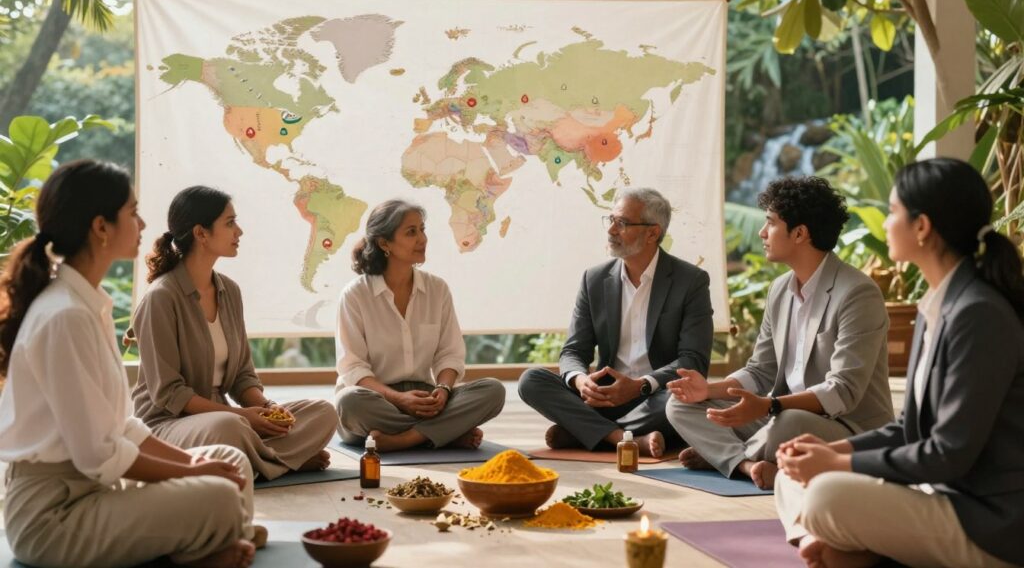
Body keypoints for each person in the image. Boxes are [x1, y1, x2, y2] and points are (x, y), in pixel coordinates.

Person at [0, 160, 260, 568]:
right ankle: (209, 538)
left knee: (230, 462)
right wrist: (192, 475)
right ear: (101, 227)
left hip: (97, 493)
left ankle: (210, 538)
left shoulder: (89, 305)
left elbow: (122, 426)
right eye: (132, 212)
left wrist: (195, 462)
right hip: (53, 517)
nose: (142, 224)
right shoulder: (64, 315)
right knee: (220, 494)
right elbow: (100, 457)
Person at [774, 158, 1024, 568]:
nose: (886, 223)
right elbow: (910, 429)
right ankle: (835, 547)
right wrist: (830, 449)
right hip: (935, 492)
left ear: (922, 227)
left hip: (987, 519)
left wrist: (837, 463)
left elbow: (949, 454)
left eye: (892, 212)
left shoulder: (979, 314)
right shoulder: (935, 306)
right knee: (791, 474)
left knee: (824, 494)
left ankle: (852, 552)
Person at [665, 177, 893, 488]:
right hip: (776, 414)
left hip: (847, 427)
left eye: (770, 223)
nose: (761, 233)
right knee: (679, 405)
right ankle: (747, 464)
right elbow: (761, 370)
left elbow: (843, 392)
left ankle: (725, 455)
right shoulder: (779, 289)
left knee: (790, 422)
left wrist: (770, 406)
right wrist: (708, 391)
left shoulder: (857, 293)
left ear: (800, 233)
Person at [131, 186, 335, 480]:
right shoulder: (160, 298)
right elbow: (169, 394)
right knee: (230, 428)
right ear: (201, 233)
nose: (238, 231)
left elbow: (241, 376)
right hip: (170, 424)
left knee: (323, 413)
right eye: (229, 223)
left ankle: (259, 461)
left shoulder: (230, 291)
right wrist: (242, 416)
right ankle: (285, 461)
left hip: (226, 420)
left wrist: (267, 408)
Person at [519, 187, 713, 458]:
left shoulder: (690, 281)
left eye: (621, 223)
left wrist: (641, 385)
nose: (611, 230)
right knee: (531, 381)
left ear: (652, 233)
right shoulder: (594, 279)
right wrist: (580, 380)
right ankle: (622, 438)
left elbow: (693, 361)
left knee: (681, 400)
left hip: (654, 398)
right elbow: (574, 351)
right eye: (610, 220)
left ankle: (584, 432)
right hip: (602, 397)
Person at [334, 200, 505, 452]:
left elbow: (450, 354)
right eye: (411, 232)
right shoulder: (355, 295)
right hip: (376, 398)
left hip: (426, 397)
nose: (422, 239)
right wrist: (398, 399)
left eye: (422, 229)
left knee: (493, 391)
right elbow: (353, 368)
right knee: (349, 403)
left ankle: (407, 439)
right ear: (384, 243)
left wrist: (444, 390)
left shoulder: (438, 289)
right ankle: (444, 432)